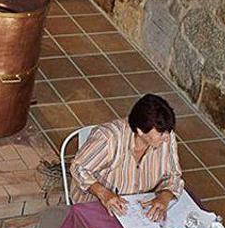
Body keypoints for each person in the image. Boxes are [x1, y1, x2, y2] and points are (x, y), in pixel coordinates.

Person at [70, 93, 184, 221]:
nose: (167, 137)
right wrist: (104, 194)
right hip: (96, 206)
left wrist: (164, 197)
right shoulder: (109, 139)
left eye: (169, 131)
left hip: (135, 209)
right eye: (161, 133)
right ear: (140, 131)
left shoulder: (167, 139)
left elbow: (174, 176)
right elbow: (78, 168)